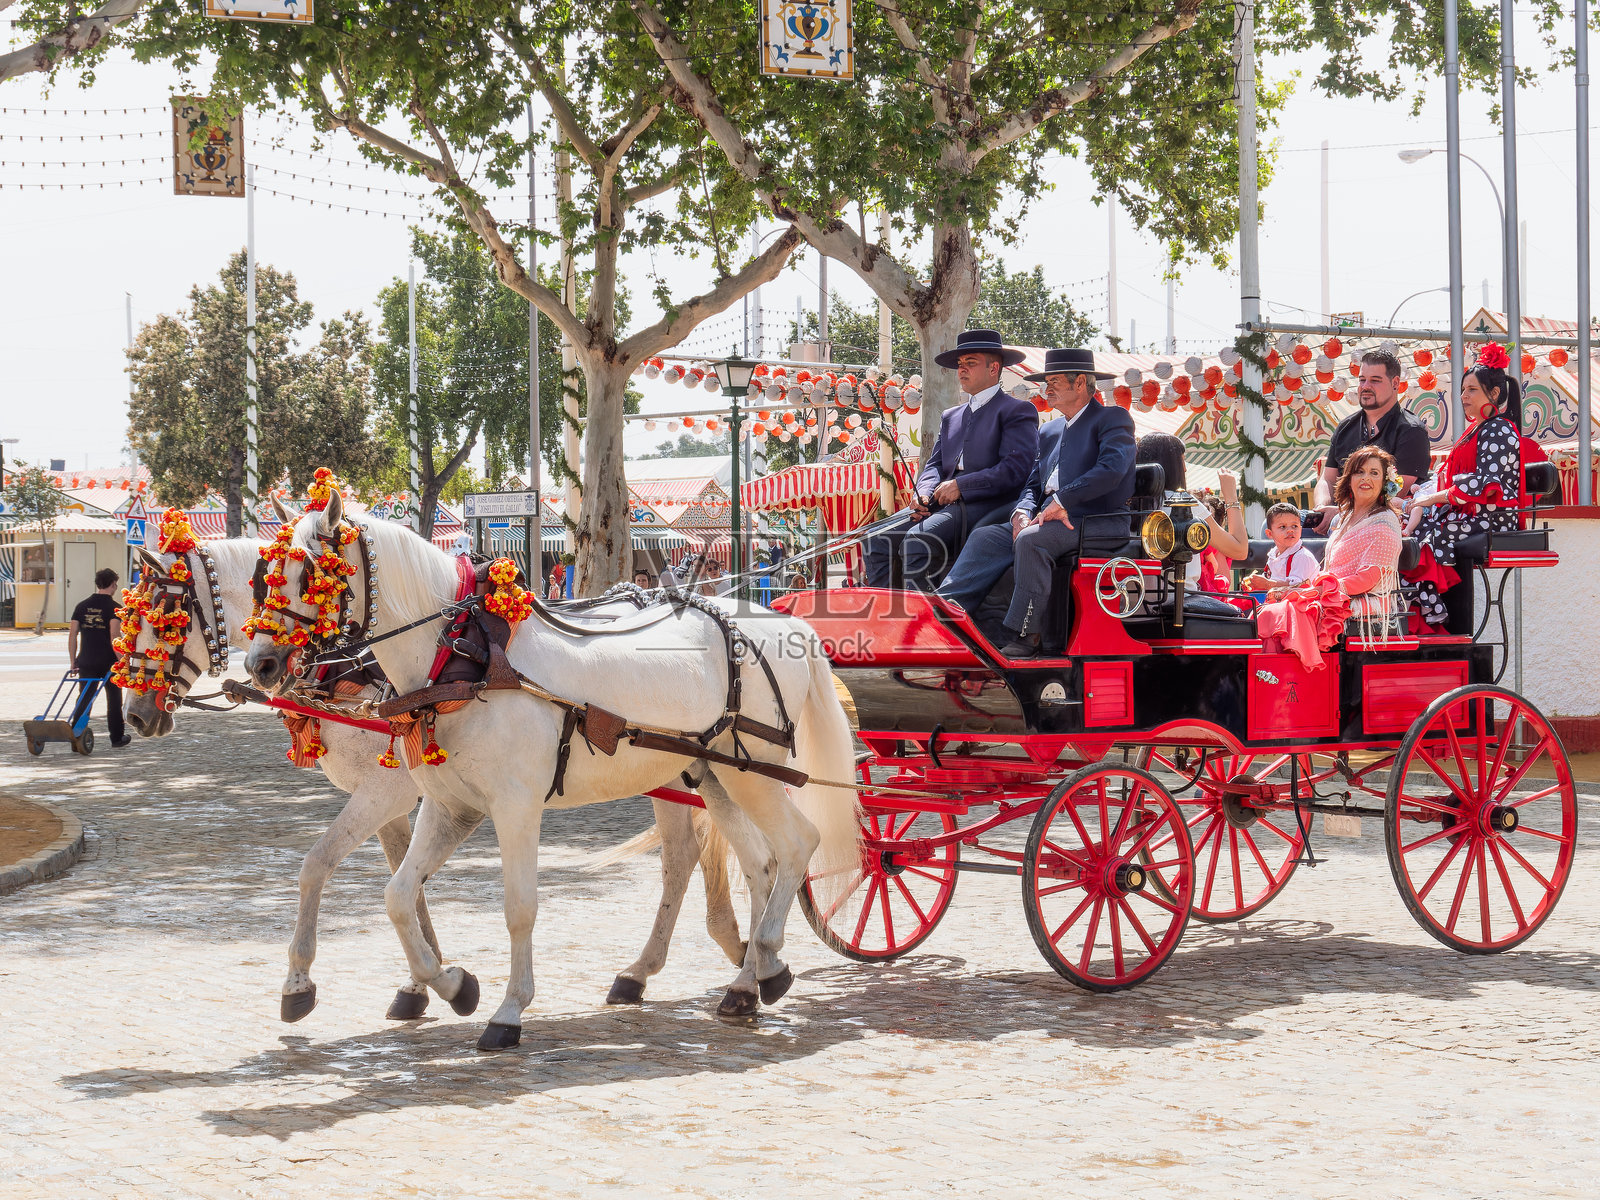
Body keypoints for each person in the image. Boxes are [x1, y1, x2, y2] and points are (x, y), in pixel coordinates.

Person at [936, 347, 1133, 657]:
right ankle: (945, 613)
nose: (1046, 389)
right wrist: (1022, 511)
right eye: (1046, 382)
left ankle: (1025, 635)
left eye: (1054, 381)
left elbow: (1112, 469)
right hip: (1050, 517)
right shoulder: (1050, 429)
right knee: (987, 536)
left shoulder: (1112, 418)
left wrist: (1063, 500)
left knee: (1031, 540)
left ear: (1080, 382)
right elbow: (1033, 482)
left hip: (1099, 519)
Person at [864, 328, 1039, 589]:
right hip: (940, 501)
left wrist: (961, 486)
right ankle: (888, 610)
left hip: (987, 503)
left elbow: (1015, 469)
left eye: (970, 363)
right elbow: (935, 463)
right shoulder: (951, 416)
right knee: (875, 538)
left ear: (994, 368)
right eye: (960, 363)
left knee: (917, 540)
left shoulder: (1017, 410)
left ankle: (924, 613)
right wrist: (923, 492)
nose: (961, 369)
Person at [1402, 343, 1527, 629]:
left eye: (1471, 389)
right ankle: (1427, 601)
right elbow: (1450, 474)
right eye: (1462, 390)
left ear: (1494, 394)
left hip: (1494, 516)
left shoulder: (1499, 429)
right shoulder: (1478, 429)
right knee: (1410, 530)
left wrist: (1433, 499)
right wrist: (1422, 494)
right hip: (1473, 512)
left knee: (1428, 534)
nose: (1463, 396)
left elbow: (1485, 483)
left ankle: (1431, 604)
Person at [1257, 447, 1403, 669]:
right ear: (1350, 478)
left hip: (1364, 599)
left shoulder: (1385, 522)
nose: (1366, 478)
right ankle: (1272, 674)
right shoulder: (1344, 518)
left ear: (1384, 481)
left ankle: (1289, 674)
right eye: (1360, 472)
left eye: (1374, 473)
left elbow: (1368, 579)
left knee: (1287, 611)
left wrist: (1320, 589)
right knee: (1273, 606)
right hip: (1334, 594)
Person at [1310, 349, 1431, 532]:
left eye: (1375, 380)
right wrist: (1322, 510)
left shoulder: (1411, 431)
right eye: (1362, 380)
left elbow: (1395, 493)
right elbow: (1327, 479)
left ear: (1395, 383)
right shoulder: (1345, 427)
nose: (1365, 386)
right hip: (1338, 520)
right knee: (1274, 526)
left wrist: (1341, 513)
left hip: (1383, 525)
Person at [1131, 433, 1250, 597]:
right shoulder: (1183, 503)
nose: (1185, 468)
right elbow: (1239, 550)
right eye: (1182, 460)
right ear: (1172, 466)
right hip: (1178, 599)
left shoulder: (1126, 503)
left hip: (1132, 602)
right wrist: (1231, 496)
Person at [68, 567, 130, 748]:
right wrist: (122, 661)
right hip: (108, 661)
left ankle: (76, 736)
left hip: (86, 660)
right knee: (114, 699)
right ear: (113, 584)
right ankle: (116, 738)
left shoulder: (81, 606)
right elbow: (114, 636)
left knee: (84, 698)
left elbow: (73, 635)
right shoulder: (115, 608)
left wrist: (73, 661)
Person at [1243, 503, 1318, 592]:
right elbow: (1270, 578)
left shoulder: (1302, 556)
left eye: (1295, 526)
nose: (1290, 530)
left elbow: (1298, 587)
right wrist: (1254, 583)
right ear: (1269, 534)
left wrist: (1267, 584)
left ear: (1300, 530)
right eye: (1283, 527)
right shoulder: (1273, 555)